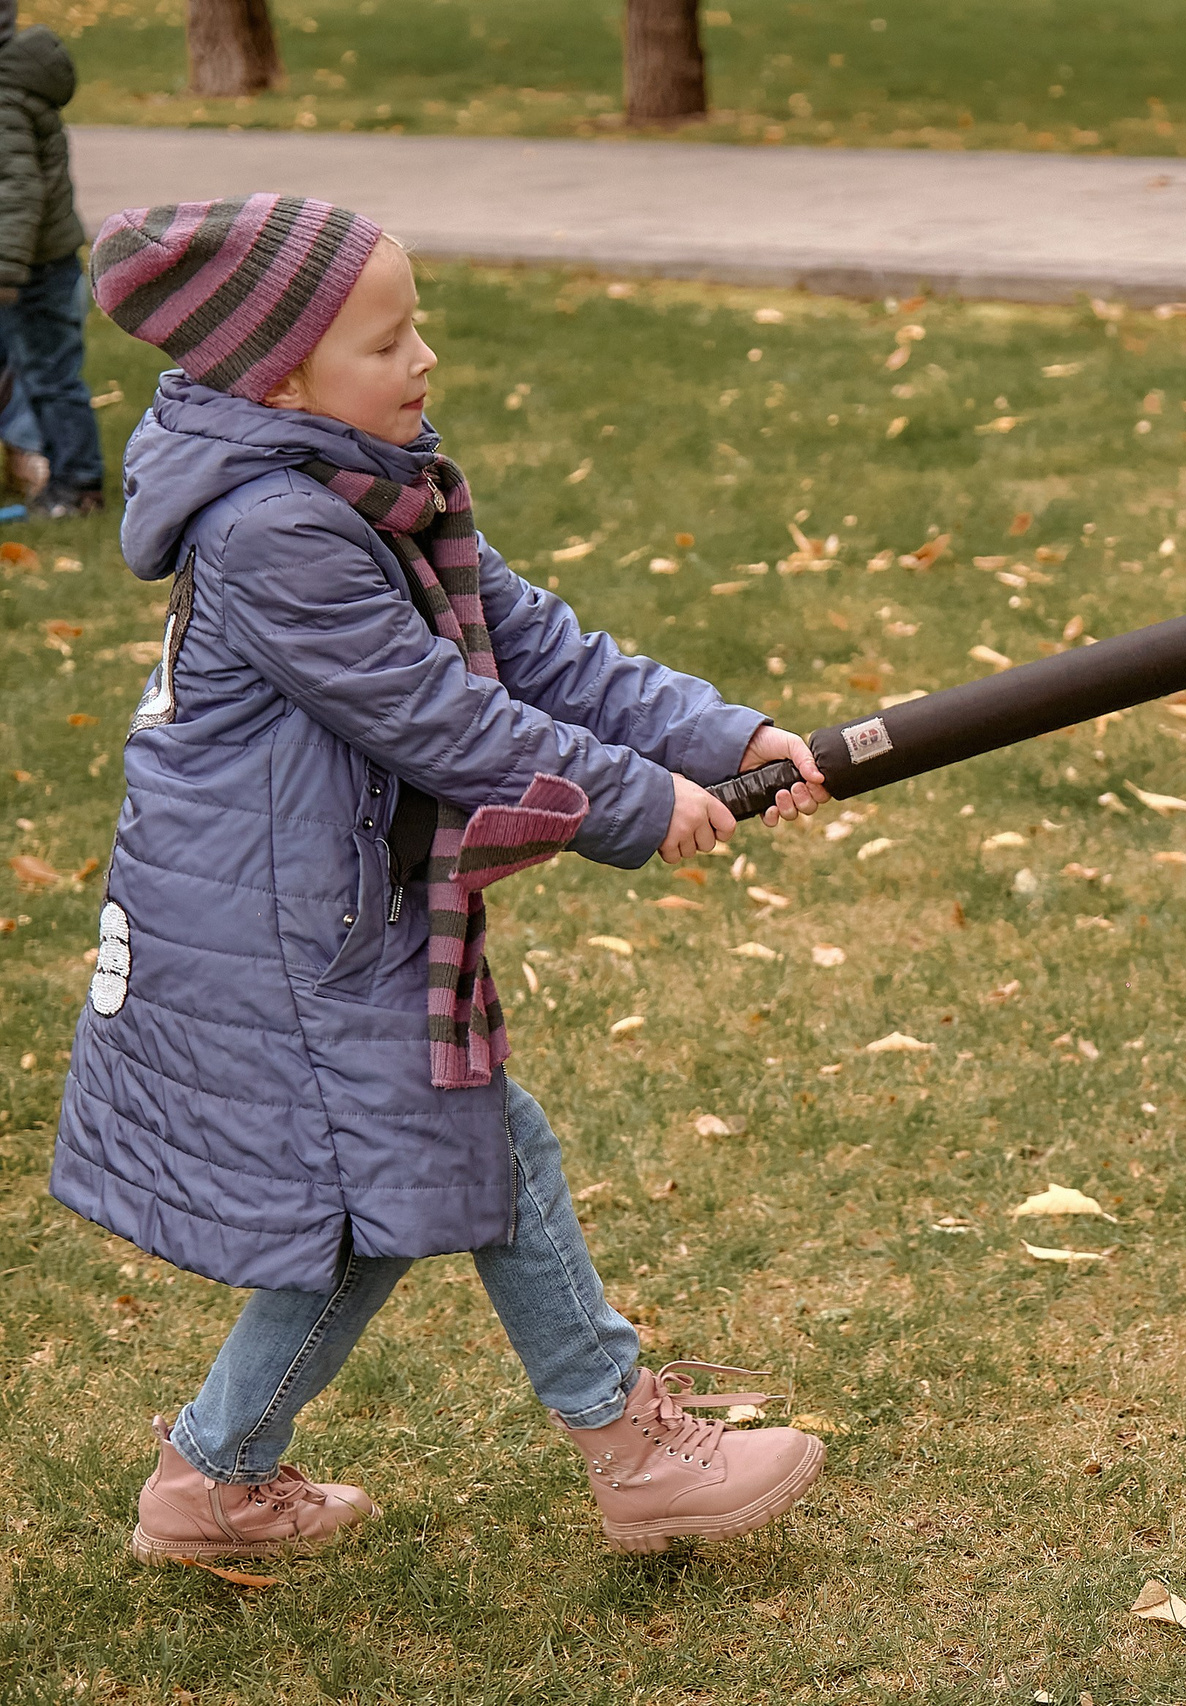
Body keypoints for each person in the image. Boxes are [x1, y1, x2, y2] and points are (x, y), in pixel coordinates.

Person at [57, 194, 835, 1564]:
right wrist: (638, 800)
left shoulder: (370, 481)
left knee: (388, 1190)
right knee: (479, 1143)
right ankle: (632, 1447)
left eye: (417, 326)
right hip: (281, 935)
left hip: (335, 909)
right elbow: (440, 717)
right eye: (386, 340)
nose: (424, 361)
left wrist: (723, 735)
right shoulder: (273, 528)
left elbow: (536, 648)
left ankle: (214, 1473)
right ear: (280, 378)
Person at [0, 0, 103, 517]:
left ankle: (77, 487)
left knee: (50, 377)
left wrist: (6, 272)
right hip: (28, 263)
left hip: (28, 269)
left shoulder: (5, 93)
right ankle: (35, 469)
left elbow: (16, 193)